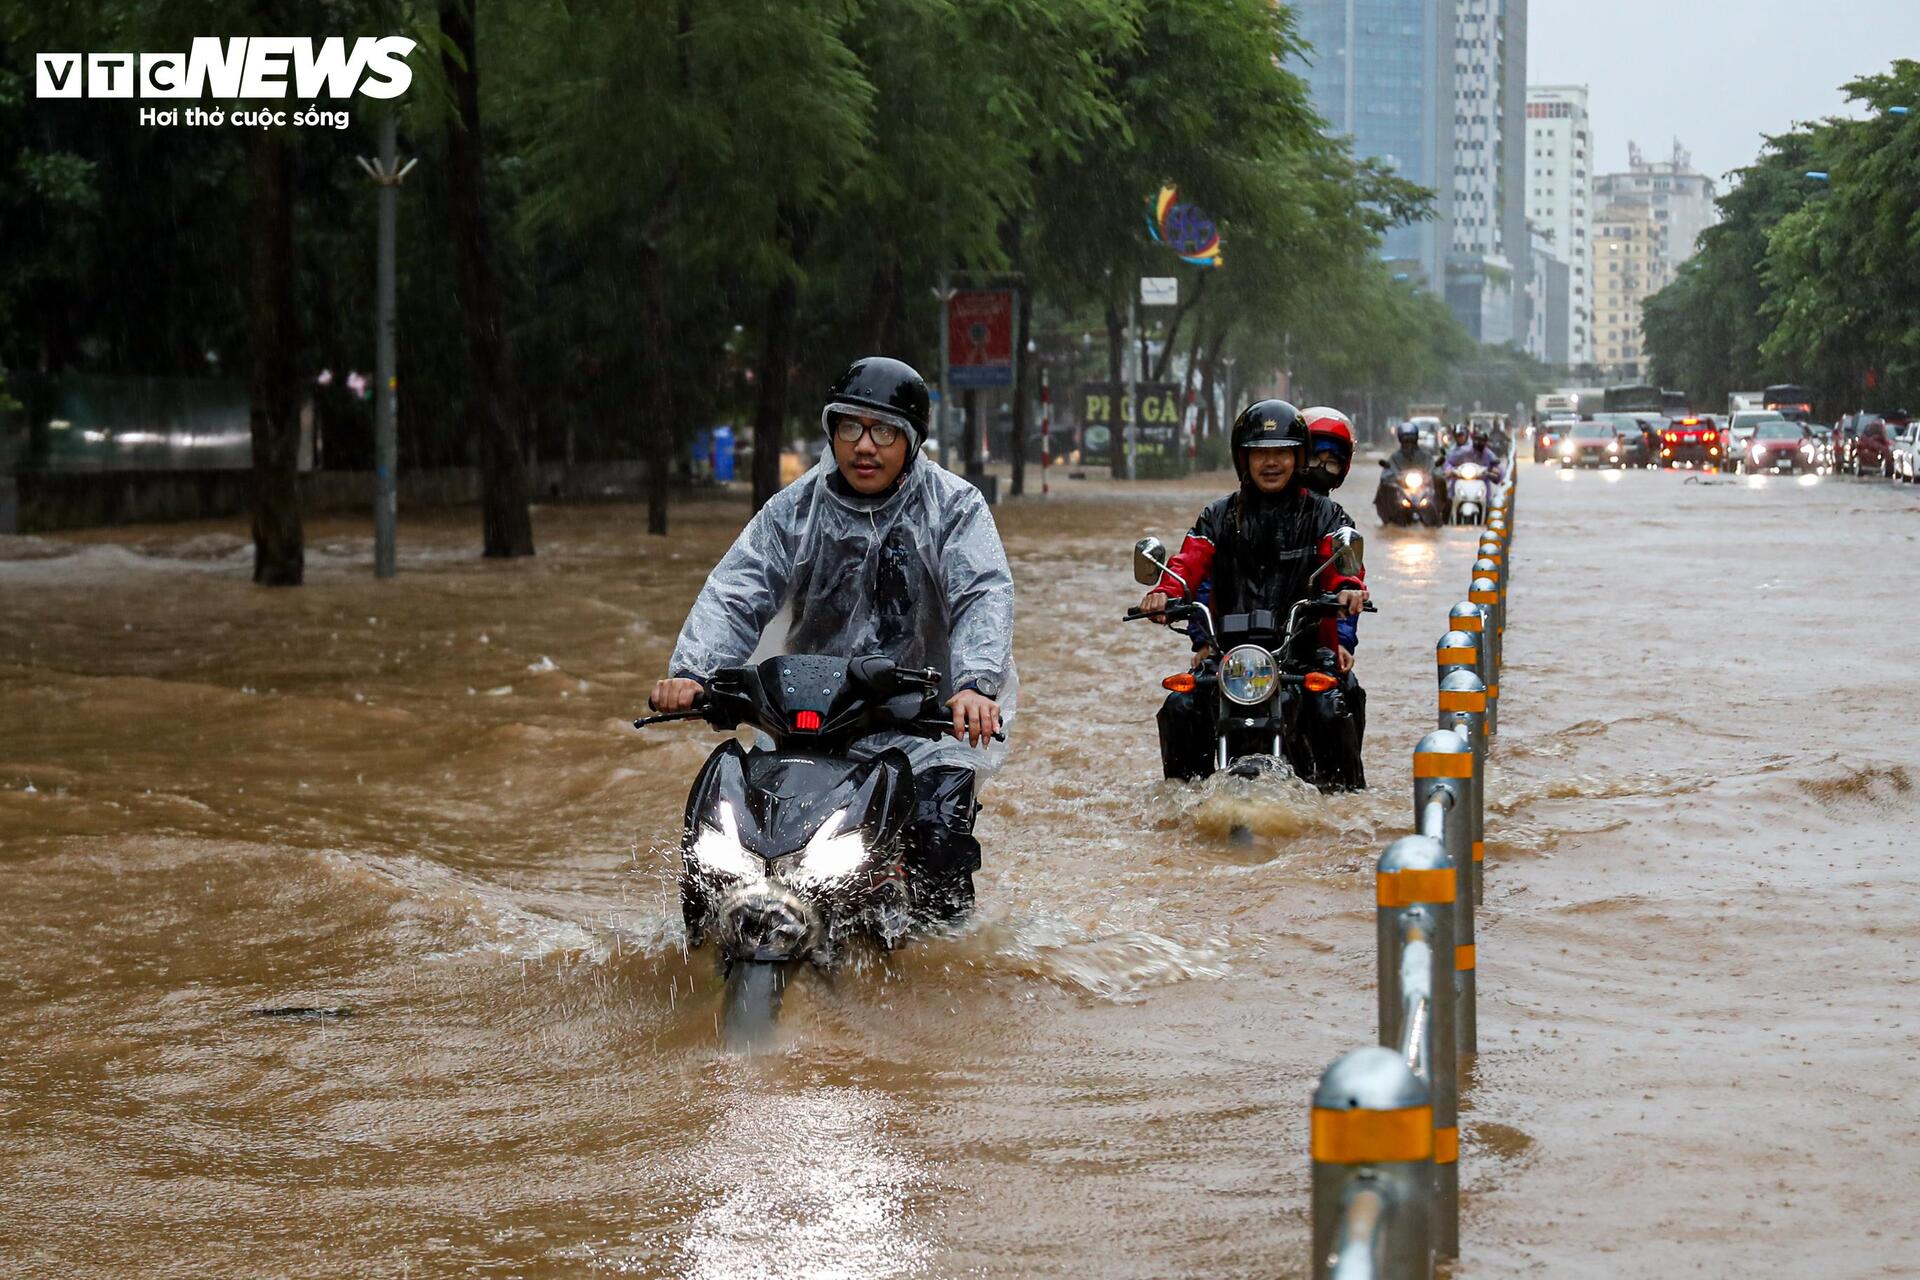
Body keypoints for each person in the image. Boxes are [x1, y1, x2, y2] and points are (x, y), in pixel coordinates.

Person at [650, 356, 1015, 921]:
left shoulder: (954, 507)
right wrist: (693, 673)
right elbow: (737, 591)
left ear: (912, 440)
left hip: (920, 723)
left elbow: (982, 593)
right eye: (850, 426)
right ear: (832, 430)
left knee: (937, 852)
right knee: (728, 845)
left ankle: (932, 980)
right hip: (811, 716)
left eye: (885, 431)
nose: (865, 446)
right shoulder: (793, 510)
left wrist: (973, 685)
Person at [1138, 400, 1369, 785]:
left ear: (1299, 456)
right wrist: (1165, 591)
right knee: (1181, 704)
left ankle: (1343, 800)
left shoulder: (1326, 514)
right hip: (1232, 657)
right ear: (1243, 459)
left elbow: (1343, 565)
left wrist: (1347, 589)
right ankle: (1183, 800)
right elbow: (1189, 562)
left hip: (1301, 654)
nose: (1271, 462)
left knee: (1332, 704)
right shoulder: (1218, 515)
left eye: (1282, 452)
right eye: (1260, 453)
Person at [1375, 422, 1437, 524]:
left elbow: (1434, 469)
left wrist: (1430, 476)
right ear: (1401, 441)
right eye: (1406, 441)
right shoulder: (1394, 458)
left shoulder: (1425, 456)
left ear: (1416, 440)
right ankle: (1389, 520)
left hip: (1422, 490)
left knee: (1432, 505)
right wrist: (1395, 478)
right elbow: (1386, 475)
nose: (1409, 444)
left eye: (1411, 441)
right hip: (1402, 492)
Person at [1441, 426, 1505, 498]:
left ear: (1486, 442)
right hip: (1461, 483)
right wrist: (1449, 469)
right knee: (1450, 499)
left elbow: (1497, 467)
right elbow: (1449, 461)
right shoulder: (1464, 451)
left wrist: (1498, 473)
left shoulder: (1488, 454)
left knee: (1490, 504)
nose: (1479, 443)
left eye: (1482, 441)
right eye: (1477, 440)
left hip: (1482, 487)